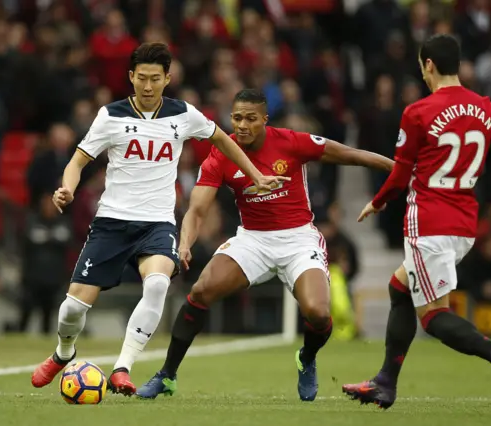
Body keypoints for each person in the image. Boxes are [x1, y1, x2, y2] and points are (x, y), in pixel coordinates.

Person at [30, 43, 286, 395]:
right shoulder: (111, 116)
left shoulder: (184, 115)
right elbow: (77, 161)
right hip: (112, 223)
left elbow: (223, 141)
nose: (148, 86)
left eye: (155, 79)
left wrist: (256, 175)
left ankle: (123, 367)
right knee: (73, 307)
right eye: (141, 78)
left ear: (167, 79)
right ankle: (63, 353)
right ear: (130, 77)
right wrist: (67, 189)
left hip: (157, 224)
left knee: (157, 285)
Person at [136, 88, 394, 402]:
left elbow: (347, 153)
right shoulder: (222, 152)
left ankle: (307, 358)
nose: (242, 125)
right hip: (253, 239)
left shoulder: (290, 141)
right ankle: (167, 375)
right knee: (202, 291)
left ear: (264, 120)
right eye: (237, 118)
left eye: (250, 119)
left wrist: (394, 168)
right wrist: (186, 243)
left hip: (298, 238)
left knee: (319, 313)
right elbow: (198, 207)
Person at [342, 34, 491, 409]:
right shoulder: (487, 108)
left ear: (429, 65)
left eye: (422, 67)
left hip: (429, 223)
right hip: (464, 227)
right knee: (399, 288)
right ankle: (385, 382)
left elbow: (401, 177)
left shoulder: (418, 112)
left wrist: (377, 201)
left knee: (434, 317)